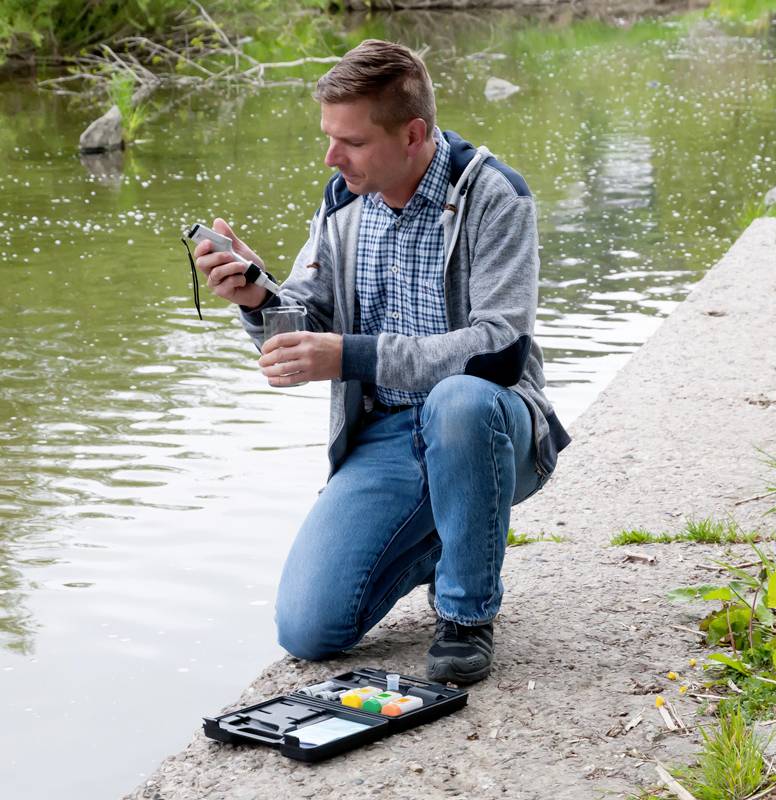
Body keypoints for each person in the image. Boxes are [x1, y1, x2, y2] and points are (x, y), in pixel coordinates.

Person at [195, 39, 570, 685]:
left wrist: (353, 354)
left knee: (459, 399)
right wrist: (258, 296)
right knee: (308, 630)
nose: (332, 157)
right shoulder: (343, 200)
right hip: (386, 436)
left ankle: (466, 613)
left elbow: (500, 348)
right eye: (329, 138)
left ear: (413, 134)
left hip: (488, 426)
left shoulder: (495, 195)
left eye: (353, 142)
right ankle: (450, 532)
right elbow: (310, 322)